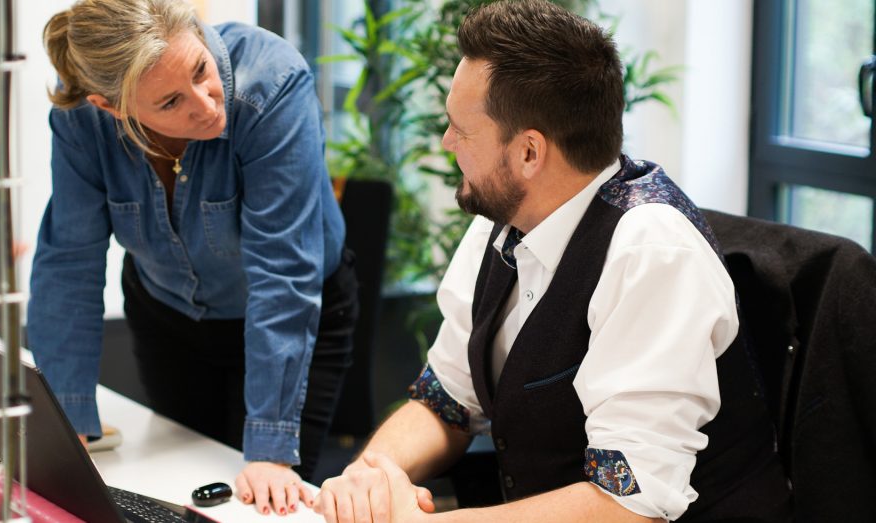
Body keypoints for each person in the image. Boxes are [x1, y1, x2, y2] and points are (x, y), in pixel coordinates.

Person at [314, 1, 792, 521]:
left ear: (528, 153)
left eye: (461, 130)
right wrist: (370, 476)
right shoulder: (500, 222)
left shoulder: (651, 254)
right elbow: (446, 400)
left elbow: (629, 503)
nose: (447, 142)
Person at [28, 0, 359, 515]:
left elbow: (282, 270)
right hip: (169, 318)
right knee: (183, 491)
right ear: (111, 108)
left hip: (290, 314)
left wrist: (270, 449)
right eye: (170, 102)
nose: (207, 106)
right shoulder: (82, 121)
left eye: (201, 70)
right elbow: (69, 262)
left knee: (260, 500)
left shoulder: (271, 82)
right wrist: (69, 423)